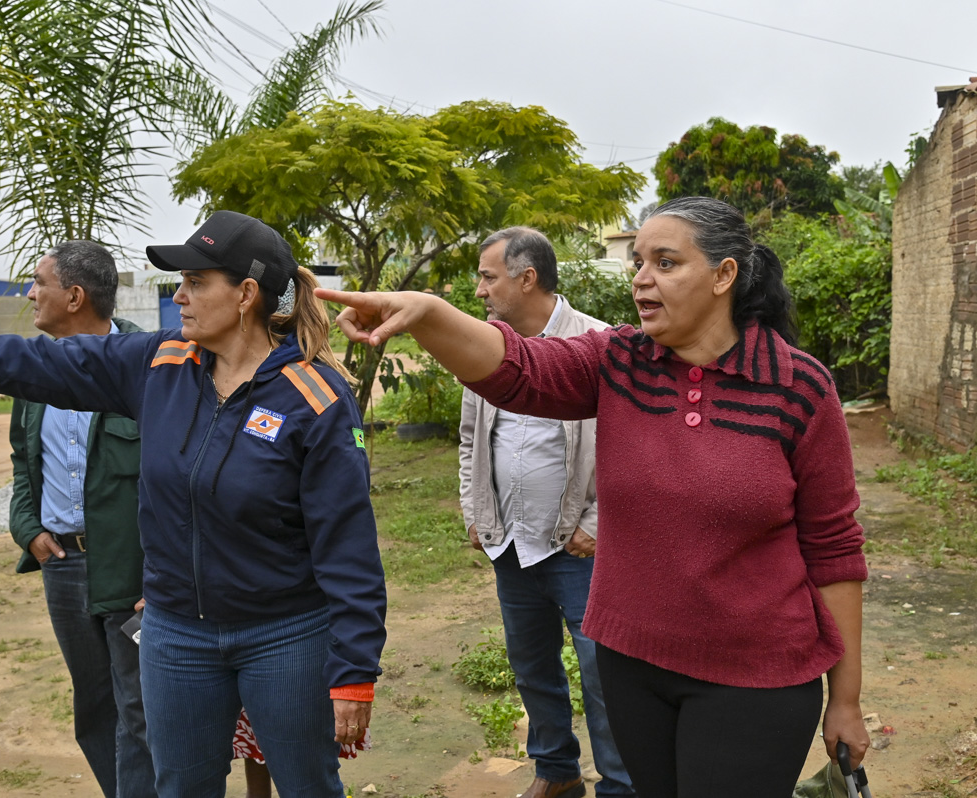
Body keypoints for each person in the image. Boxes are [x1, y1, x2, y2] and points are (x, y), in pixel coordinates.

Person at [314, 197, 870, 798]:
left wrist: (845, 700)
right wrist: (427, 313)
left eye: (665, 263)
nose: (641, 279)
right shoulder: (619, 360)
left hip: (755, 677)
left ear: (724, 275)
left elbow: (834, 551)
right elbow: (518, 368)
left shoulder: (798, 387)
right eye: (639, 262)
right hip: (634, 668)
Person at [0, 210, 386, 798]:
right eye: (181, 282)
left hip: (284, 637)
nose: (180, 296)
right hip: (176, 636)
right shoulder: (159, 363)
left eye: (196, 282)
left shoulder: (313, 398)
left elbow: (346, 544)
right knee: (181, 787)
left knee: (307, 786)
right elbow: (26, 363)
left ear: (246, 294)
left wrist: (354, 672)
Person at [458, 228, 633, 798]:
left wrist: (597, 523)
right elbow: (470, 438)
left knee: (603, 674)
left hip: (579, 548)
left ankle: (620, 785)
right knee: (532, 667)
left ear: (526, 278)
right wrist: (475, 509)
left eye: (488, 277)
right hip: (511, 542)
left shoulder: (599, 344)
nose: (479, 290)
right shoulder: (484, 347)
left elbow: (631, 448)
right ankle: (556, 772)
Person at [7, 241, 155, 798]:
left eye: (38, 282)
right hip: (63, 565)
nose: (30, 294)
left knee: (141, 708)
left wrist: (164, 569)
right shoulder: (36, 372)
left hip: (129, 567)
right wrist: (28, 529)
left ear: (74, 297)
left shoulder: (144, 365)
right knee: (93, 708)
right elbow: (23, 457)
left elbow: (177, 471)